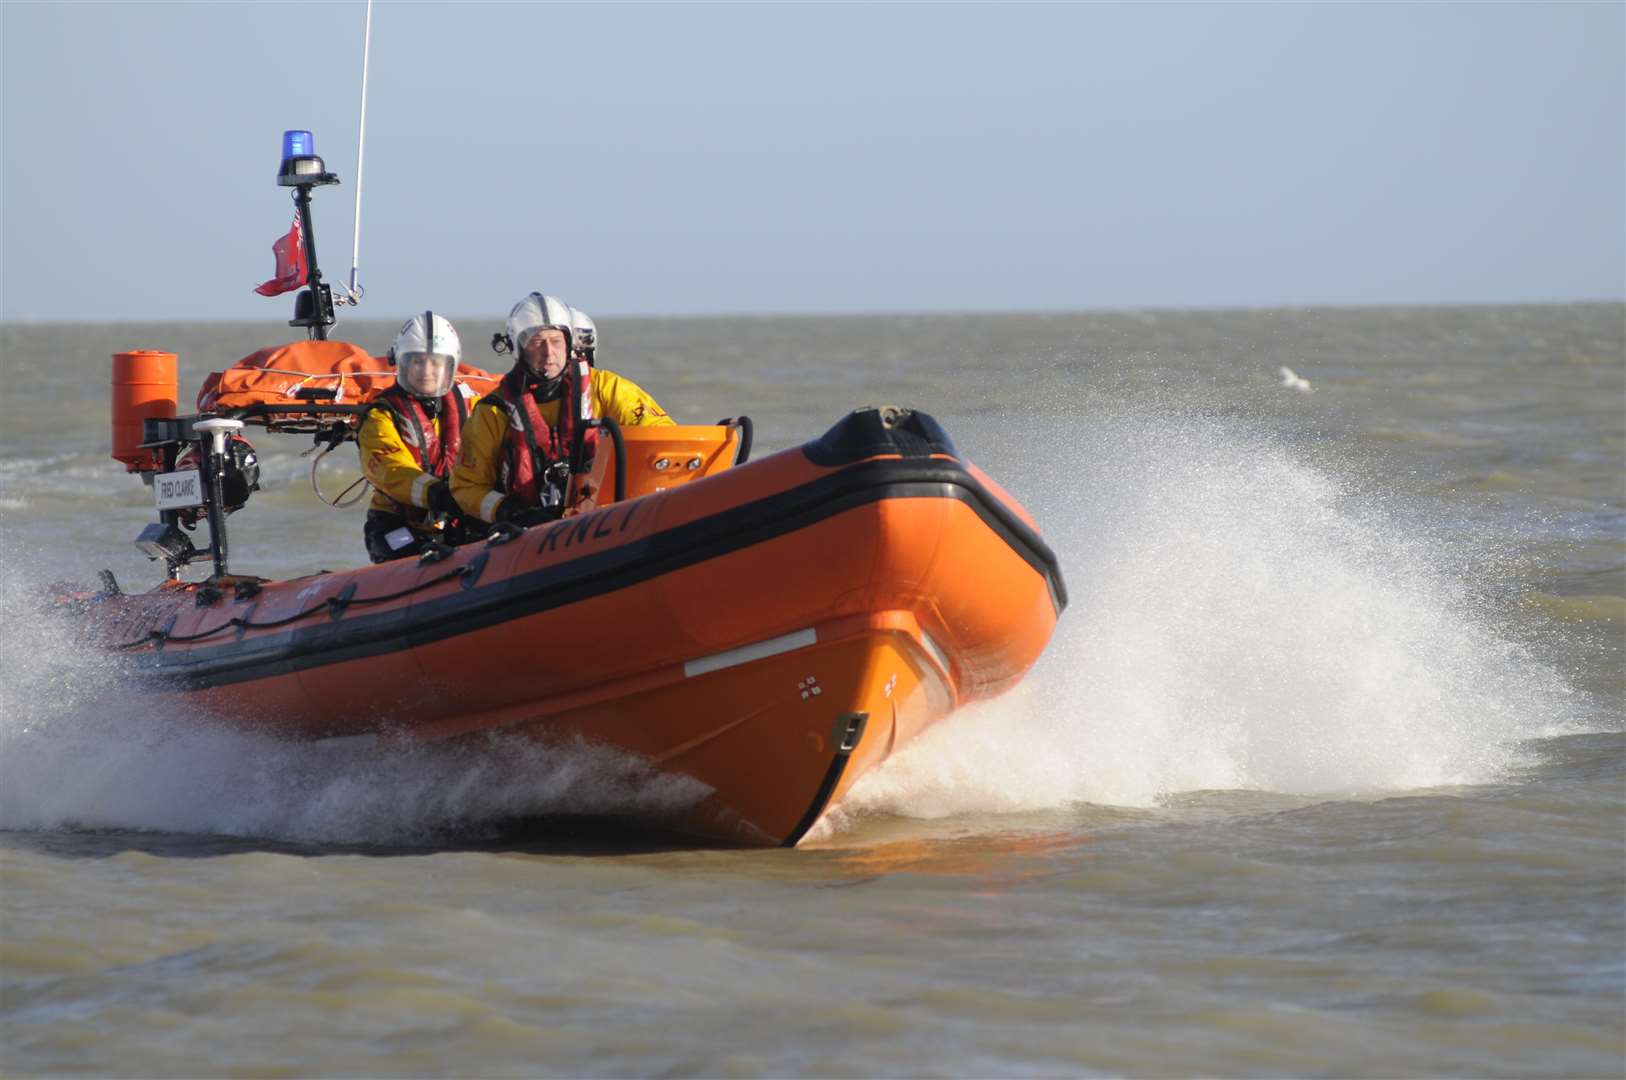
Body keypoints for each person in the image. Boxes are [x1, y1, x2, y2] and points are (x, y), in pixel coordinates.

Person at [452, 292, 672, 526]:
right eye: (537, 342)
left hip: (603, 518)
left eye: (556, 341)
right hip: (528, 531)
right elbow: (466, 485)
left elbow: (663, 435)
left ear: (569, 344)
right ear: (518, 348)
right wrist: (510, 512)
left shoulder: (606, 388)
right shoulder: (493, 411)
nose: (549, 352)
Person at [359, 311, 471, 562]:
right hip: (397, 523)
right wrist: (437, 494)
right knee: (415, 560)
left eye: (435, 363)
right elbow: (391, 469)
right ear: (402, 363)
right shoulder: (381, 415)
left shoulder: (470, 405)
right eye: (417, 362)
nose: (426, 371)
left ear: (449, 365)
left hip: (456, 517)